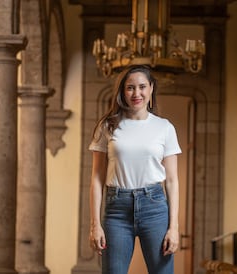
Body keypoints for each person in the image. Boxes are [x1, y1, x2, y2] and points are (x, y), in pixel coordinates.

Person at [88, 64, 182, 274]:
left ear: (151, 89)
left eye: (142, 87)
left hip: (155, 208)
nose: (136, 93)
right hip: (116, 211)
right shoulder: (107, 126)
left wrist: (173, 228)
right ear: (122, 91)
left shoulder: (165, 128)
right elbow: (96, 178)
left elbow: (172, 180)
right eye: (130, 87)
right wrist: (95, 225)